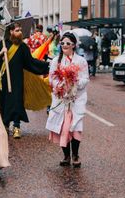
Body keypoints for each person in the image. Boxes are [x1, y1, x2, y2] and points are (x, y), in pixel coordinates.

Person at [0, 23, 49, 138]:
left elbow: (30, 62)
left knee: (17, 102)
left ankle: (16, 127)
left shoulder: (23, 47)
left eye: (20, 30)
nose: (20, 33)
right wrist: (1, 54)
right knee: (4, 102)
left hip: (18, 80)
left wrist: (46, 66)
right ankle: (5, 125)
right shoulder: (2, 44)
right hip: (4, 79)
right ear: (11, 31)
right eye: (17, 30)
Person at [46, 32, 89, 168]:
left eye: (68, 43)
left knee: (75, 128)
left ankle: (75, 155)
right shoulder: (55, 61)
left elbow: (85, 79)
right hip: (62, 100)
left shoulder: (81, 61)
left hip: (76, 99)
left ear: (74, 45)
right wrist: (61, 86)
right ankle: (66, 156)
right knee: (63, 127)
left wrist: (74, 83)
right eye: (62, 43)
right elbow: (52, 78)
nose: (65, 45)